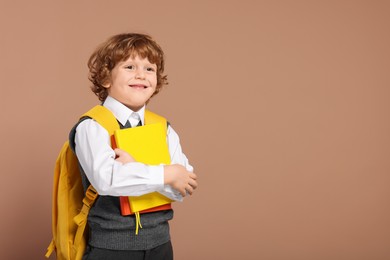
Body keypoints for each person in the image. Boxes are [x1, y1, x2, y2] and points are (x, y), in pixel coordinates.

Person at [71, 33, 198, 260]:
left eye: (150, 69)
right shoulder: (93, 126)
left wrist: (136, 168)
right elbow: (107, 180)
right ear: (105, 78)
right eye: (129, 66)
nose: (141, 74)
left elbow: (182, 186)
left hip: (160, 245)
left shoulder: (163, 128)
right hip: (111, 249)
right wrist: (166, 173)